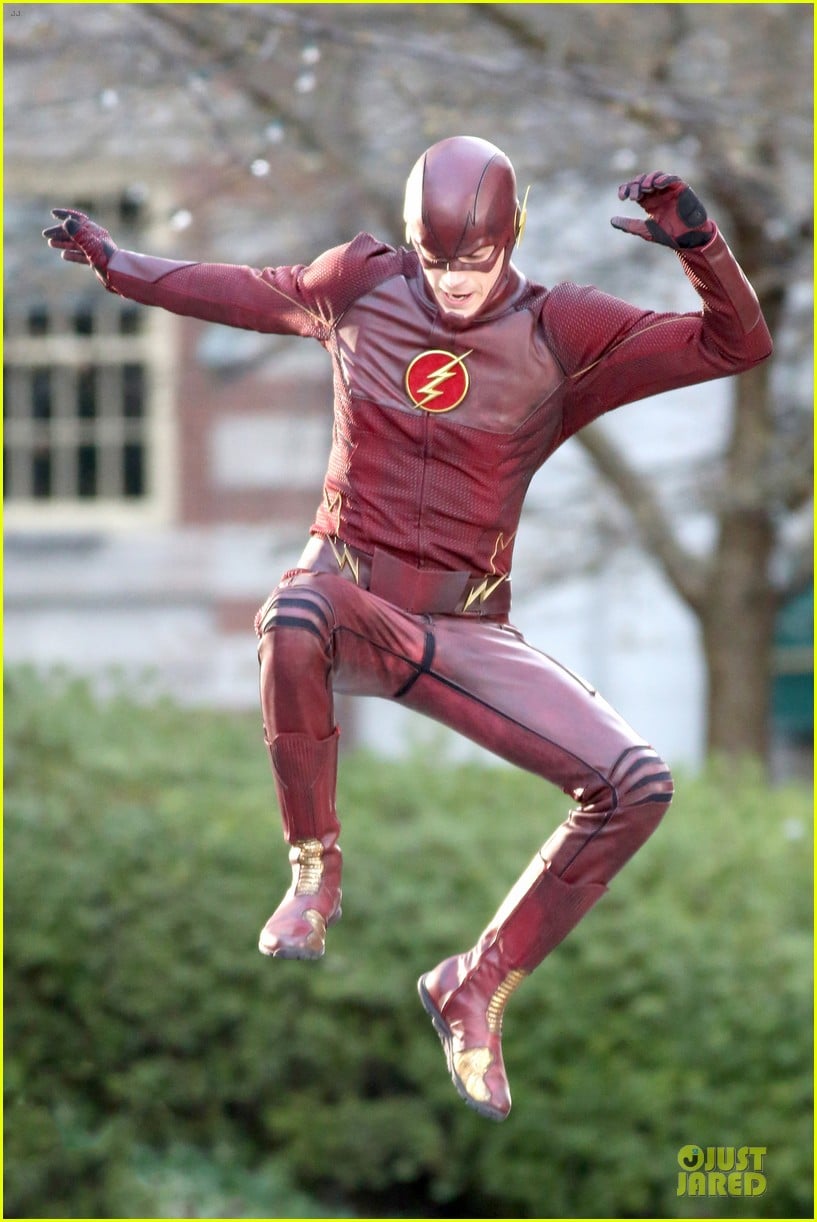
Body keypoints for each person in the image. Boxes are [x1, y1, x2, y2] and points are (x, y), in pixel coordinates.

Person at [44, 136, 772, 1121]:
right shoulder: (358, 287)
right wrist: (117, 263)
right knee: (293, 608)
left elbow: (734, 346)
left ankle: (475, 985)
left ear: (511, 237)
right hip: (350, 596)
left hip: (463, 626)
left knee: (636, 784)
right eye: (436, 259)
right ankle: (313, 873)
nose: (455, 281)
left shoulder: (561, 328)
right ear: (407, 241)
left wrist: (699, 246)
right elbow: (239, 290)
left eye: (475, 259)